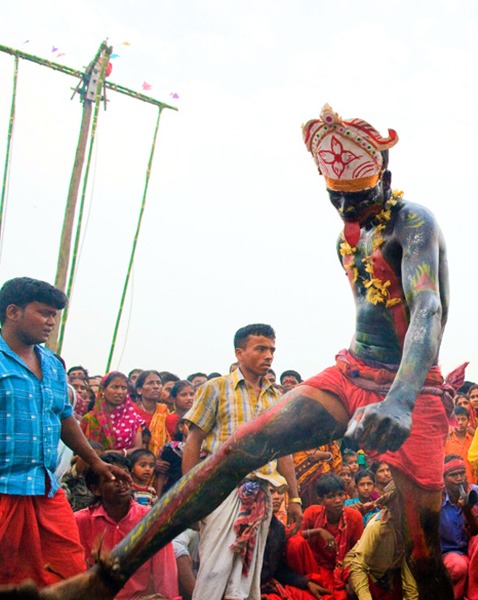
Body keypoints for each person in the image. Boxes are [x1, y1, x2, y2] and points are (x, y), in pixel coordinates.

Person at [24, 105, 454, 599]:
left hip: (412, 388)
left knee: (423, 554)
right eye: (335, 197)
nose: (346, 208)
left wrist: (399, 398)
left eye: (358, 197)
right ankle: (106, 576)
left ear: (387, 180)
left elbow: (428, 309)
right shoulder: (346, 236)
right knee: (237, 449)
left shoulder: (414, 221)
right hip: (352, 372)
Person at [0, 277, 128, 588]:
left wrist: (96, 463)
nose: (51, 322)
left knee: (67, 574)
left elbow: (65, 418)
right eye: (44, 313)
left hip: (44, 489)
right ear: (13, 312)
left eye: (55, 315)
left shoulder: (52, 365)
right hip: (3, 487)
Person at [182, 323, 302, 600]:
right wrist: (190, 493)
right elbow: (194, 440)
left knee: (246, 576)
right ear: (240, 353)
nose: (269, 355)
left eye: (272, 349)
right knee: (214, 571)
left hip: (261, 493)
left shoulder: (277, 396)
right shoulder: (216, 388)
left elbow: (282, 451)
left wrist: (295, 498)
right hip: (221, 490)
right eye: (260, 349)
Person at [74, 453, 177, 599]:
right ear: (96, 489)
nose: (121, 483)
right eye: (112, 478)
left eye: (125, 476)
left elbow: (165, 572)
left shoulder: (151, 519)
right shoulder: (79, 521)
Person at [439, 456, 478, 600]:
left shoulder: (477, 493)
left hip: (474, 548)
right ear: (443, 478)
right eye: (453, 475)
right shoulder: (437, 498)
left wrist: (468, 511)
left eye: (462, 473)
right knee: (459, 566)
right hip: (449, 551)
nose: (460, 478)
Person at [293, 474, 364, 598]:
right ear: (321, 500)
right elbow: (294, 536)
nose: (337, 500)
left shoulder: (354, 517)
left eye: (341, 495)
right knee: (295, 543)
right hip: (313, 567)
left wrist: (350, 577)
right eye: (331, 497)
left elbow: (358, 551)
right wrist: (318, 531)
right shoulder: (312, 513)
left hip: (340, 568)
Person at [344, 482, 417, 600]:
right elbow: (358, 566)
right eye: (400, 501)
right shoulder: (377, 526)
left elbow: (408, 569)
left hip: (389, 574)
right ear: (389, 505)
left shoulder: (410, 528)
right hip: (368, 572)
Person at [80, 372, 143, 456]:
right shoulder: (89, 419)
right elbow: (79, 447)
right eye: (115, 387)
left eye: (124, 388)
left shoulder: (134, 419)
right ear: (103, 390)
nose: (120, 391)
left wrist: (117, 453)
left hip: (122, 466)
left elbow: (138, 449)